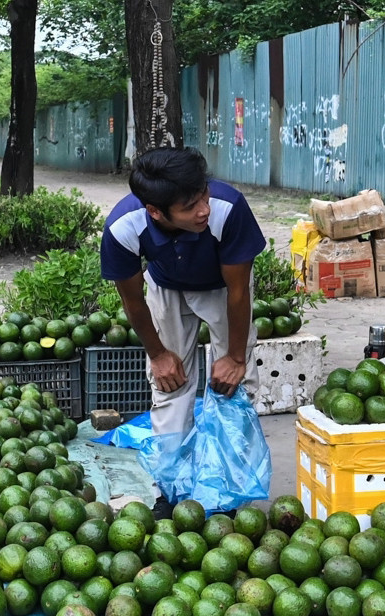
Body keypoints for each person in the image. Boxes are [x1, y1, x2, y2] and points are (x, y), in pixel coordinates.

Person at [99, 146, 264, 519]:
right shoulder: (124, 227)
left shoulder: (229, 209)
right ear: (156, 212)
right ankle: (170, 489)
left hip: (223, 289)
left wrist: (236, 357)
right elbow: (133, 300)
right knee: (170, 386)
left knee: (234, 385)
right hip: (166, 287)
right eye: (190, 206)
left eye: (203, 194)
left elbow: (238, 291)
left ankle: (231, 492)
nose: (203, 208)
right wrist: (158, 355)